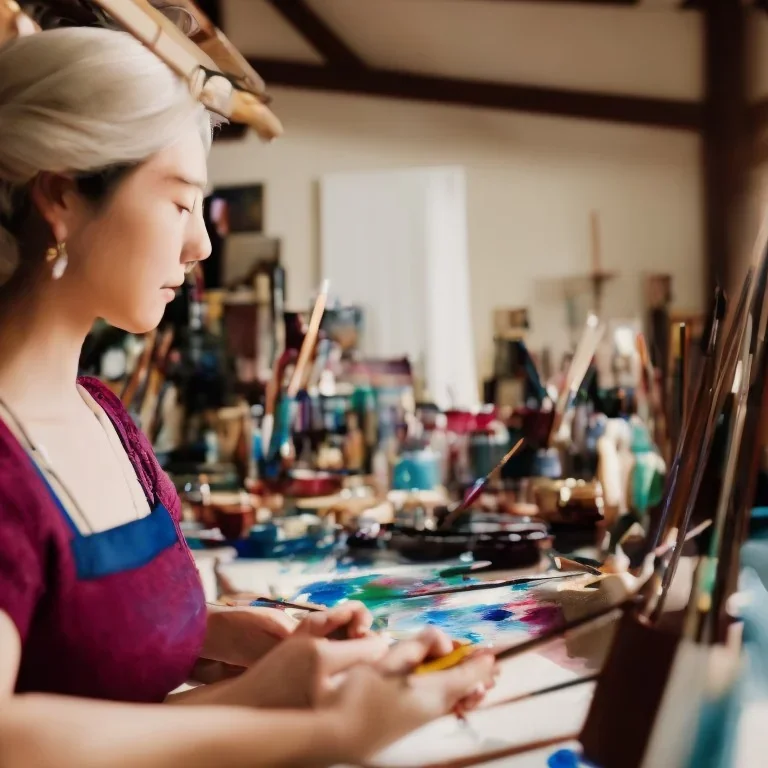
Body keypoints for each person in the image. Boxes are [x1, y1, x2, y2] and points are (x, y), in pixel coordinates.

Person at [0, 22, 496, 760]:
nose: (201, 246)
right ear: (62, 195)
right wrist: (321, 727)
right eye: (178, 203)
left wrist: (234, 640)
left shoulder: (102, 415)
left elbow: (75, 636)